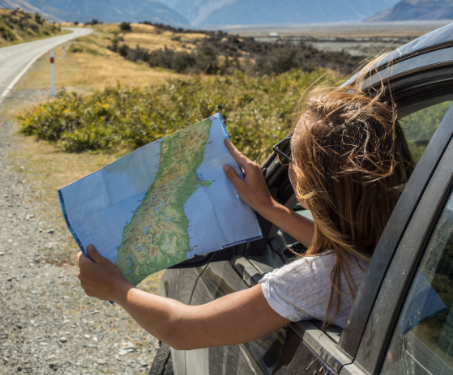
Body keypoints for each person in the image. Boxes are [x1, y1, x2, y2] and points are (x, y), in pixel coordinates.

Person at [75, 78, 414, 350]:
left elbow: (181, 330)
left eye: (289, 156)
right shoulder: (407, 239)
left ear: (308, 183)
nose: (285, 165)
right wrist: (267, 207)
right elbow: (348, 249)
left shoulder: (318, 280)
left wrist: (115, 288)